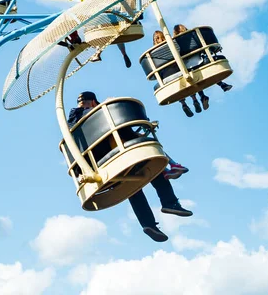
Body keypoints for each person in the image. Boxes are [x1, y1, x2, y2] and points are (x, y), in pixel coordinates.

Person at [67, 91, 192, 242]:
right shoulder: (102, 114)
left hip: (106, 157)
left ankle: (150, 223)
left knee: (132, 184)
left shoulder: (81, 121)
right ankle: (169, 199)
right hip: (112, 153)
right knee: (149, 166)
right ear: (93, 102)